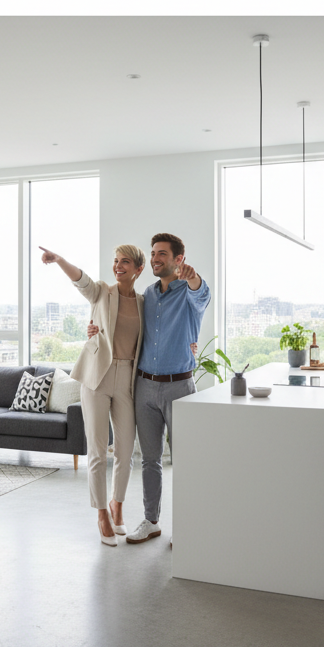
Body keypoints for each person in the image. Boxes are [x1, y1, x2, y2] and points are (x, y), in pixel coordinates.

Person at [38, 243, 146, 546]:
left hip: (127, 379)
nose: (118, 266)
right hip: (96, 378)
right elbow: (81, 279)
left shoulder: (143, 303)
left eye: (125, 262)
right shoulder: (101, 292)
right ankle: (101, 513)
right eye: (115, 261)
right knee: (98, 451)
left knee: (126, 452)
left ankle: (117, 505)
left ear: (139, 269)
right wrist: (59, 259)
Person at [125, 232, 210, 545]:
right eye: (154, 253)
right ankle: (151, 521)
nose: (156, 258)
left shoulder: (189, 292)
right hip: (145, 386)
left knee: (185, 458)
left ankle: (186, 525)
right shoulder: (147, 293)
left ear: (179, 260)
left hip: (179, 387)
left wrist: (195, 278)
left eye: (162, 253)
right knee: (150, 460)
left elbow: (202, 295)